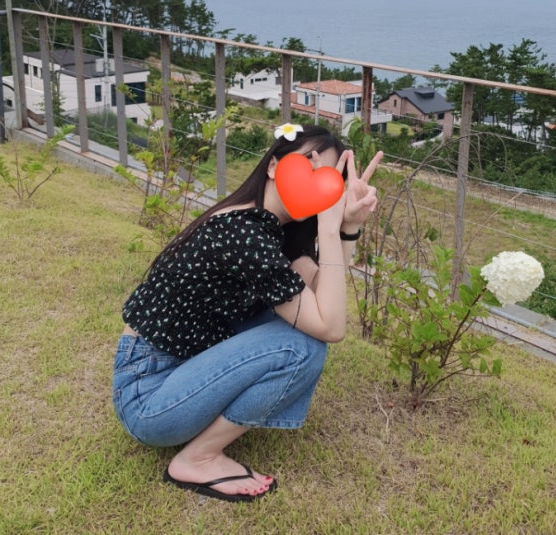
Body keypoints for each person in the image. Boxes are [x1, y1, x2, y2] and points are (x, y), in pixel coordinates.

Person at [112, 124, 382, 503]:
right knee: (302, 347)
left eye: (330, 178)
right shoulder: (244, 234)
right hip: (150, 400)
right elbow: (332, 327)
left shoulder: (273, 230)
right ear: (273, 165)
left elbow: (324, 300)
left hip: (175, 376)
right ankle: (198, 458)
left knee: (304, 333)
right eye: (308, 164)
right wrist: (329, 223)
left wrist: (347, 227)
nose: (317, 181)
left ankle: (201, 443)